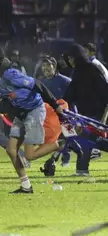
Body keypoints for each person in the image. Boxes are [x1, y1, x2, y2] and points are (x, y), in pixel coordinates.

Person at [63, 44, 108, 175]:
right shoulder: (77, 71)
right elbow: (72, 91)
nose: (70, 61)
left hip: (97, 110)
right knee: (92, 139)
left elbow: (104, 88)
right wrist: (63, 103)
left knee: (87, 139)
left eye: (72, 58)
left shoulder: (92, 69)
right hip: (86, 111)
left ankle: (82, 170)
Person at [0, 52, 65, 193]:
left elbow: (37, 84)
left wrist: (55, 104)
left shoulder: (10, 75)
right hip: (21, 113)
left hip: (34, 111)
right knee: (11, 150)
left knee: (29, 155)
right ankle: (26, 186)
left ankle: (61, 144)